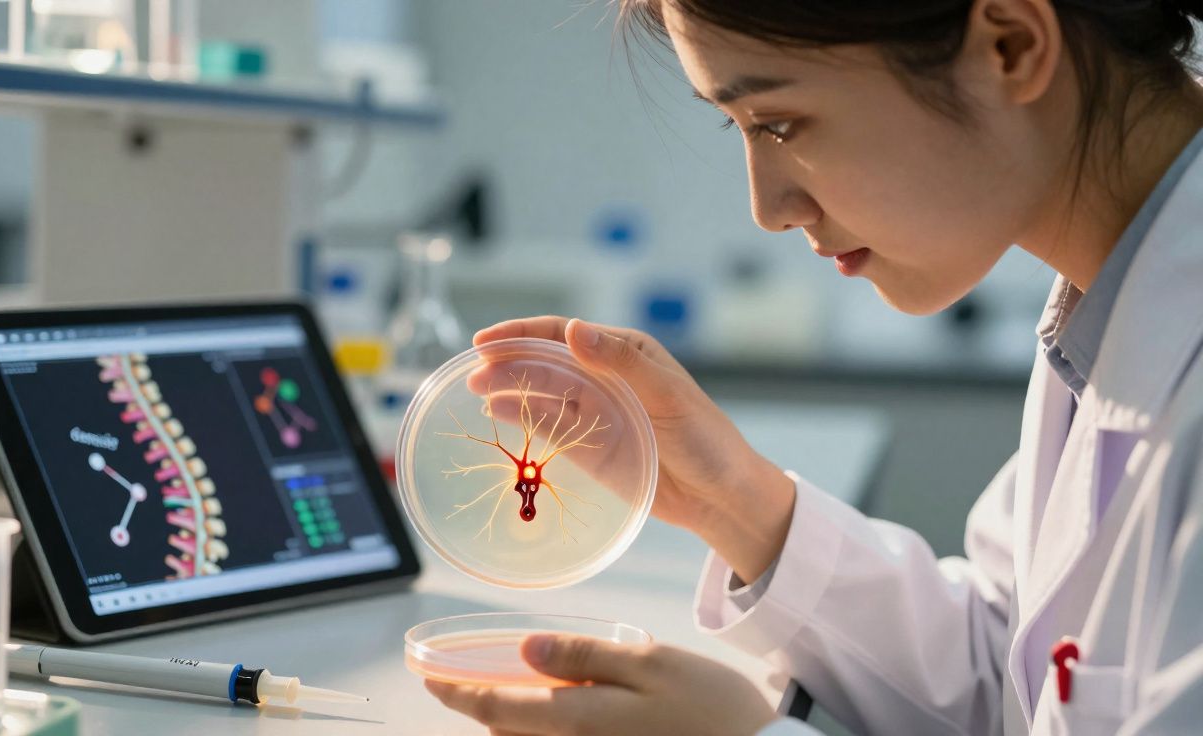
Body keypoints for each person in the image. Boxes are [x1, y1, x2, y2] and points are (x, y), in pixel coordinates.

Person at [424, 0, 1203, 733]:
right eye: (738, 127)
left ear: (1010, 46)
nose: (768, 208)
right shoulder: (1111, 310)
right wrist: (730, 498)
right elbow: (1017, 673)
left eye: (780, 123)